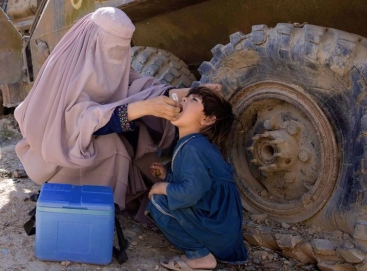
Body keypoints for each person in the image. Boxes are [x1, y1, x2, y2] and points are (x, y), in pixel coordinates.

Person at [14, 7, 193, 221]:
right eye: (114, 48)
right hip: (57, 156)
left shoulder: (110, 60)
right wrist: (144, 108)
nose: (119, 56)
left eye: (123, 49)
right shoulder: (68, 68)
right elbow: (74, 123)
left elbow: (135, 86)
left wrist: (182, 93)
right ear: (95, 40)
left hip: (88, 138)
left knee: (125, 136)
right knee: (113, 146)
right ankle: (89, 201)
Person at [147, 86, 248, 270]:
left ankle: (200, 256)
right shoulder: (194, 144)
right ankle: (205, 248)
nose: (184, 100)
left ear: (208, 119)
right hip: (221, 231)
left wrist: (162, 187)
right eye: (186, 98)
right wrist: (167, 175)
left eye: (193, 100)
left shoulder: (193, 148)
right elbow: (197, 187)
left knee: (157, 202)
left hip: (217, 230)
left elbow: (191, 192)